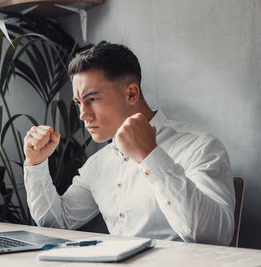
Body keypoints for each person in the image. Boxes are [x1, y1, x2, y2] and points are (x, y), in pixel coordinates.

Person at [23, 42, 235, 245]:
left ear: (131, 93)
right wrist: (36, 164)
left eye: (93, 99)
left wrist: (150, 156)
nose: (83, 115)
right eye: (79, 103)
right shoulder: (98, 164)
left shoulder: (200, 146)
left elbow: (216, 237)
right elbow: (58, 222)